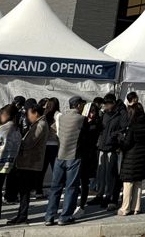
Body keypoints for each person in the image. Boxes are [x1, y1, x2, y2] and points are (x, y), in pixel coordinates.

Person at [45, 96, 87, 226]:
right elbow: (86, 137)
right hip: (74, 156)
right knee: (71, 188)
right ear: (78, 105)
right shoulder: (81, 119)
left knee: (55, 187)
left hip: (60, 155)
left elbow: (56, 131)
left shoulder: (60, 117)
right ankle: (65, 217)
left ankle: (49, 216)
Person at [8, 103, 48, 225]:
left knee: (24, 192)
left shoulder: (40, 125)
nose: (28, 116)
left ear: (35, 113)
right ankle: (21, 215)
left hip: (29, 162)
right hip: (27, 162)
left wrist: (17, 143)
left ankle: (22, 216)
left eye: (29, 114)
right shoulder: (37, 124)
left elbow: (30, 143)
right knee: (23, 191)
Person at [94, 93, 128, 210]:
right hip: (102, 146)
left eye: (106, 104)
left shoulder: (121, 113)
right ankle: (100, 194)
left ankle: (109, 196)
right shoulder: (105, 114)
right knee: (101, 172)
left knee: (111, 174)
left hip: (113, 148)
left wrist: (114, 137)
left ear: (112, 103)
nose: (105, 106)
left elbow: (123, 129)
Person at [118, 102, 145, 216]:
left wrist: (120, 140)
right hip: (142, 155)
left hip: (131, 157)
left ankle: (125, 208)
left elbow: (127, 143)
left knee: (128, 183)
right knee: (138, 182)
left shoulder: (132, 126)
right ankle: (136, 207)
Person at [76, 101, 103, 217]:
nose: (92, 115)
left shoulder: (96, 124)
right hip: (78, 155)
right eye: (90, 112)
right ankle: (77, 204)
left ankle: (81, 205)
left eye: (94, 112)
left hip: (89, 155)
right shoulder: (81, 122)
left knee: (84, 181)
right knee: (76, 182)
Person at [40, 98, 61, 197]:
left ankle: (38, 191)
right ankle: (55, 190)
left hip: (44, 145)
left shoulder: (44, 115)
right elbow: (59, 132)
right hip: (53, 145)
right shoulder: (57, 115)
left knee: (42, 169)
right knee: (55, 169)